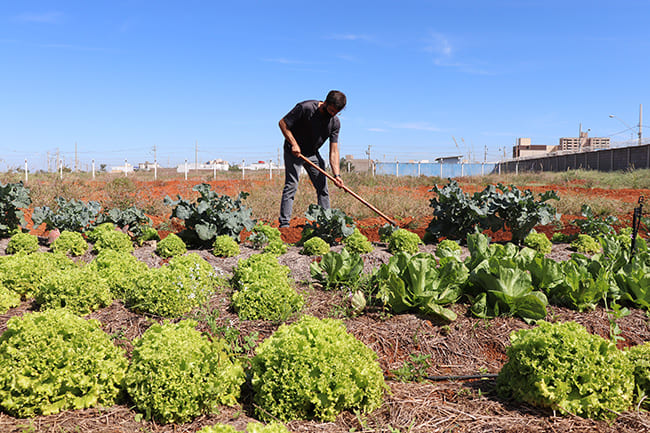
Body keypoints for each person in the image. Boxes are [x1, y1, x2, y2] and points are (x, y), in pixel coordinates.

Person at [278, 90, 346, 228]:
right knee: (291, 185)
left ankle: (326, 223)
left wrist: (337, 175)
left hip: (312, 153)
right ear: (325, 103)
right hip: (294, 151)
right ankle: (284, 225)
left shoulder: (335, 123)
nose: (332, 114)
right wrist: (294, 144)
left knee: (323, 187)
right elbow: (283, 123)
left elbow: (333, 151)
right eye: (331, 110)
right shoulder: (306, 108)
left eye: (336, 112)